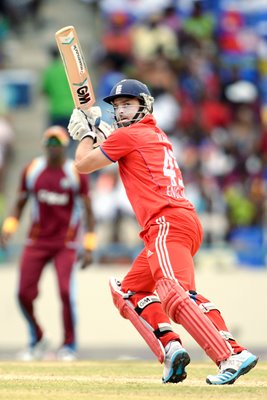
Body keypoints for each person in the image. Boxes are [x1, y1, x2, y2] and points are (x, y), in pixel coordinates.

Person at [67, 78, 258, 384]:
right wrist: (99, 131)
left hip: (166, 222)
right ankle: (170, 348)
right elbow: (115, 145)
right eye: (117, 106)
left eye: (128, 104)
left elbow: (83, 164)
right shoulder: (151, 133)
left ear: (145, 105)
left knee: (174, 292)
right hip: (177, 222)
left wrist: (87, 134)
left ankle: (230, 354)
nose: (121, 111)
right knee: (128, 292)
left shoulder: (131, 135)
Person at [0, 125, 96, 361]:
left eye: (57, 145)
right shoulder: (33, 169)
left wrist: (89, 245)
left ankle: (69, 345)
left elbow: (88, 212)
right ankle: (37, 339)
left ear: (65, 147)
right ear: (44, 146)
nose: (53, 149)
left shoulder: (75, 172)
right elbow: (20, 204)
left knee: (65, 292)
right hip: (37, 241)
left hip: (66, 242)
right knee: (23, 293)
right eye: (49, 144)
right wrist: (8, 229)